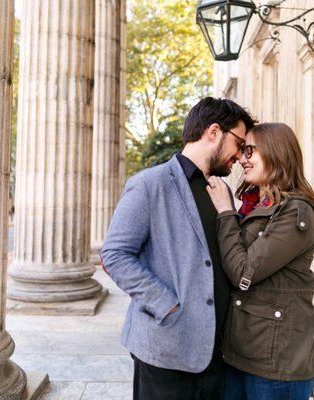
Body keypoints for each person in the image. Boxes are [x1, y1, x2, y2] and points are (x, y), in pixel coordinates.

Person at [100, 97, 255, 400]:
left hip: (216, 356)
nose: (239, 156)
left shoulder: (219, 191)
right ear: (213, 132)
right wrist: (166, 305)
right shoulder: (149, 184)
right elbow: (115, 255)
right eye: (238, 143)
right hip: (165, 351)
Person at [206, 122, 314, 400]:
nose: (242, 159)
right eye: (243, 150)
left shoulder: (297, 212)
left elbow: (244, 271)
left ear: (276, 153)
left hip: (276, 366)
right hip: (240, 352)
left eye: (250, 151)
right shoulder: (255, 205)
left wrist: (225, 211)